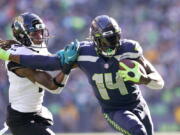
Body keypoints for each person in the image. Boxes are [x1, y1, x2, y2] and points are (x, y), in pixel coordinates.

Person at [0, 15, 164, 135]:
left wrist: (145, 79)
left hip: (138, 105)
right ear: (95, 40)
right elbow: (49, 63)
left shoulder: (130, 49)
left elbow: (159, 83)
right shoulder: (84, 53)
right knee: (138, 132)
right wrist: (9, 56)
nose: (111, 44)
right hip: (114, 110)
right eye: (106, 40)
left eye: (114, 38)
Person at [0, 12, 78, 135]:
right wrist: (68, 66)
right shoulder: (19, 58)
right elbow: (53, 87)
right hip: (21, 119)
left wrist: (73, 60)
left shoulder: (34, 46)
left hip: (36, 112)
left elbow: (50, 60)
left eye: (41, 31)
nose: (40, 36)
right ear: (22, 36)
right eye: (34, 33)